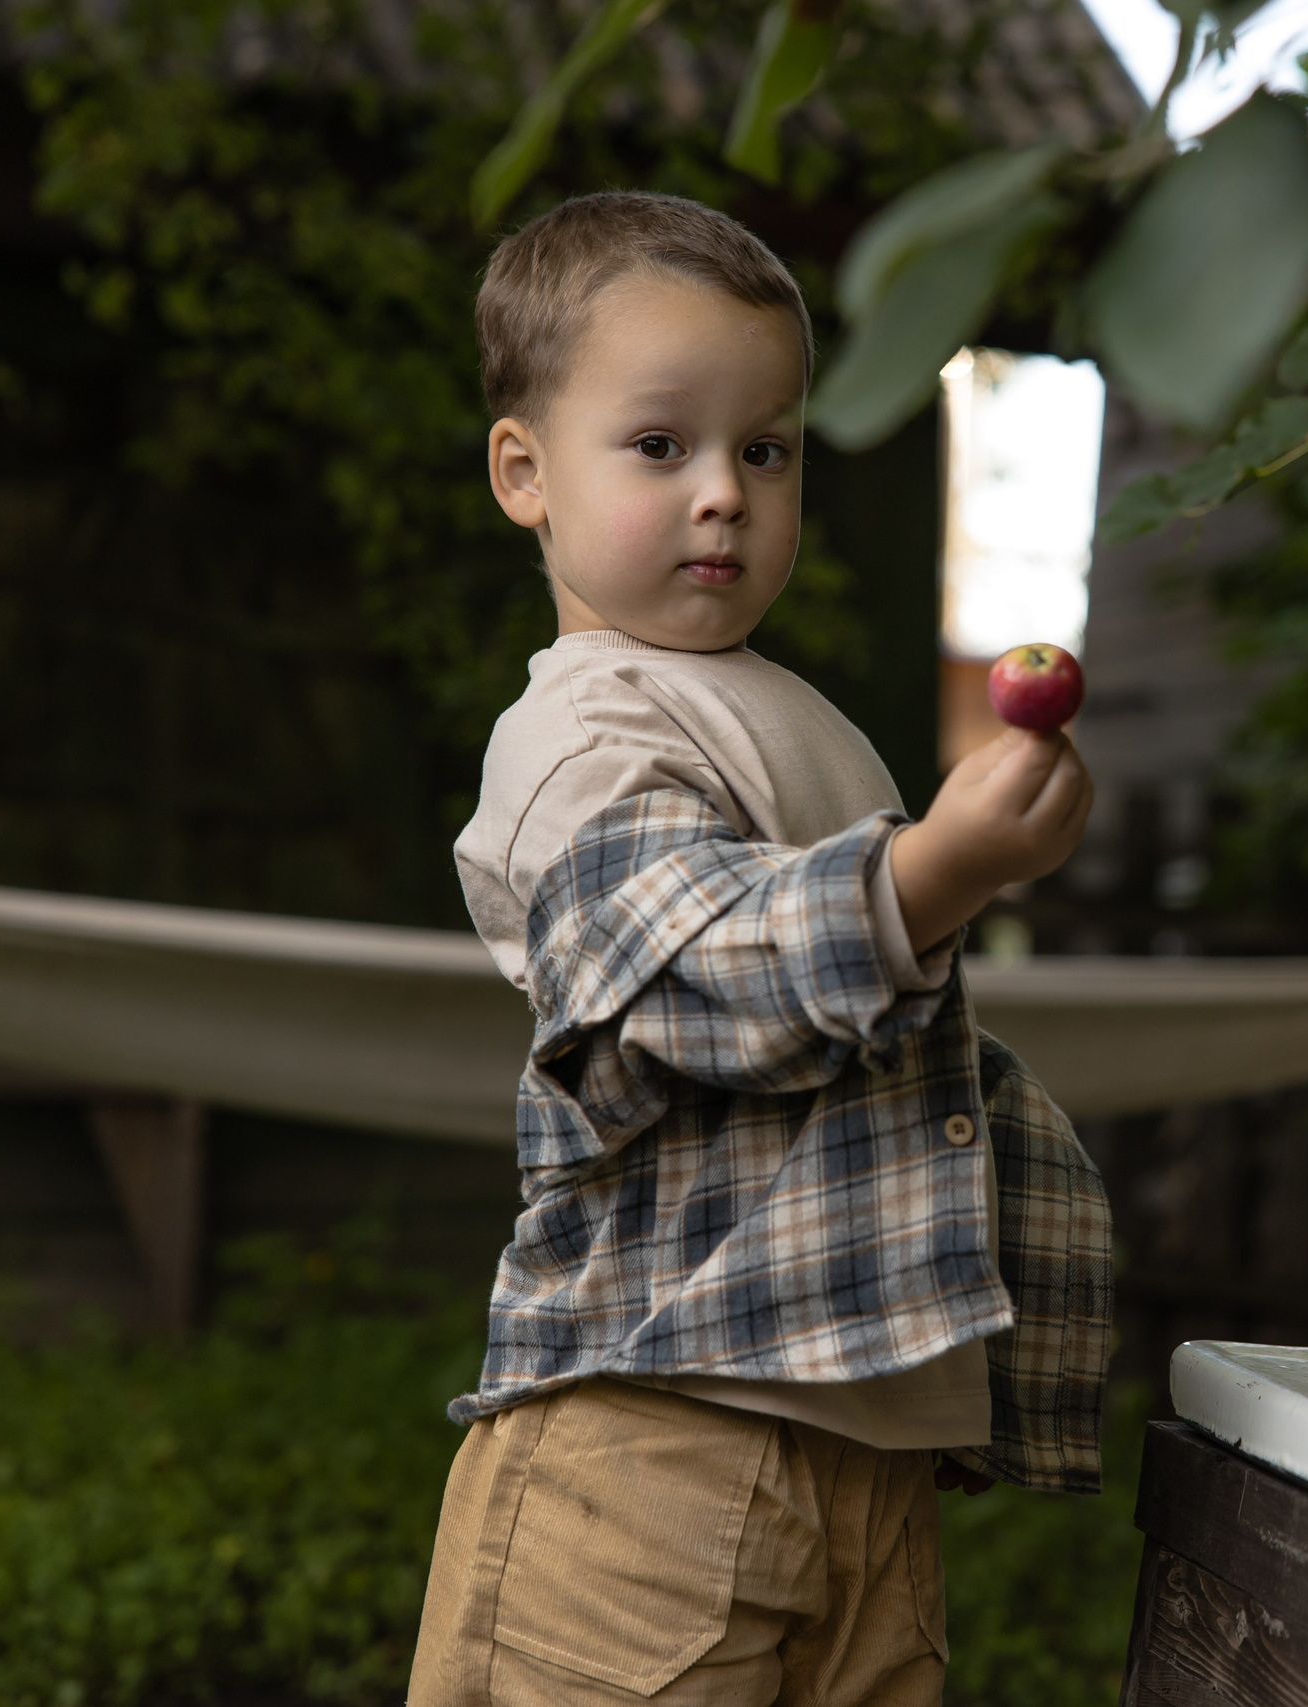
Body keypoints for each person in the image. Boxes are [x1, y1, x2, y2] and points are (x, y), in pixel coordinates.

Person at [408, 191, 1112, 1707]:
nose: (724, 493)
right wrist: (935, 871)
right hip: (655, 1437)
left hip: (865, 1449)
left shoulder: (797, 716)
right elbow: (691, 980)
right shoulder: (580, 733)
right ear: (525, 474)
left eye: (768, 450)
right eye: (660, 445)